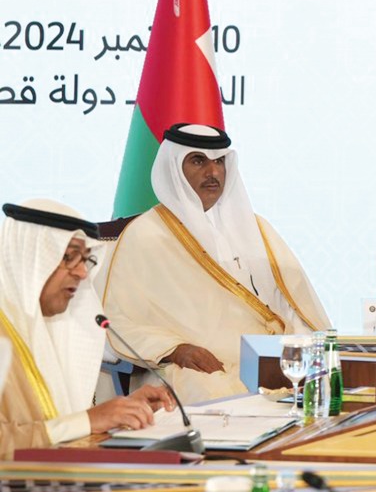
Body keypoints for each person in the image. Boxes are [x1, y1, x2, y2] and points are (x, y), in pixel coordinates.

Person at [102, 123, 330, 403]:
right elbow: (120, 318)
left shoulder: (255, 228)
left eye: (219, 161)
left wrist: (303, 345)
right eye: (198, 161)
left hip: (268, 361)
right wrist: (175, 349)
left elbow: (293, 305)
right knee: (208, 391)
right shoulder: (146, 234)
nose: (213, 172)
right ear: (174, 168)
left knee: (325, 379)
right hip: (193, 367)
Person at [0, 200, 175, 458]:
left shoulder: (40, 330)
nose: (83, 272)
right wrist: (90, 420)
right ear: (27, 257)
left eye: (85, 259)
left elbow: (47, 422)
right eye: (68, 257)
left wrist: (122, 410)